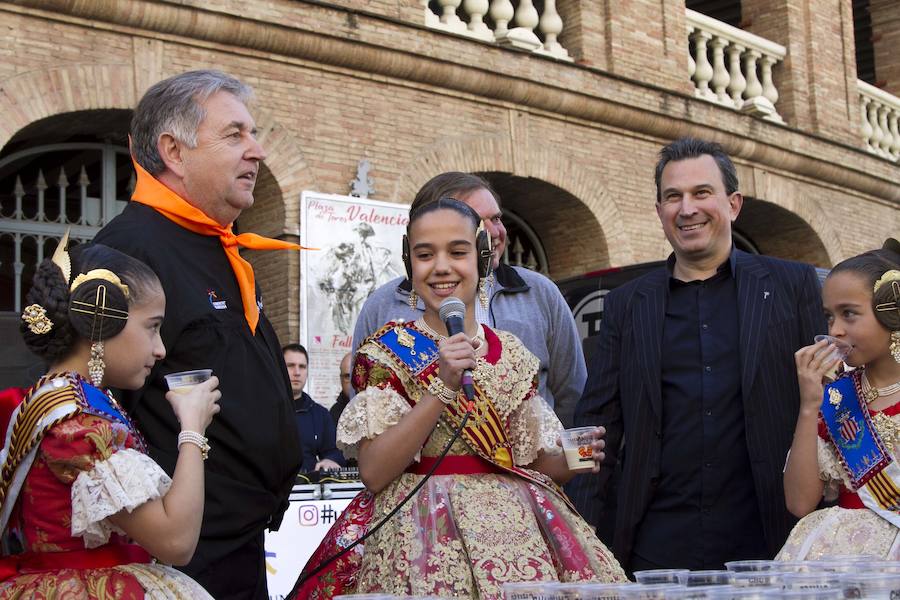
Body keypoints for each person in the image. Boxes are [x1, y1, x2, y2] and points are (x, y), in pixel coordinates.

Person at [295, 198, 626, 599]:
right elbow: (375, 472)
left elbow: (530, 461)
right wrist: (442, 387)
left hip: (516, 537)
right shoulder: (387, 350)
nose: (441, 267)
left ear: (482, 257)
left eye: (458, 251)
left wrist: (574, 460)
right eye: (424, 254)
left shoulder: (512, 353)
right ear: (408, 262)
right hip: (421, 535)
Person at [92, 70, 302, 600]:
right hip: (181, 559)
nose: (256, 151)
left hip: (244, 546)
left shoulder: (218, 246)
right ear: (174, 151)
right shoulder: (127, 253)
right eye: (235, 135)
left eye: (253, 134)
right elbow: (92, 411)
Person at [571, 137, 827, 572]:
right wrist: (580, 535)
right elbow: (595, 425)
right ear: (659, 213)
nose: (686, 208)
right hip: (656, 541)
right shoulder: (627, 304)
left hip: (770, 536)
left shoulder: (793, 285)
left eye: (701, 193)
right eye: (673, 197)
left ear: (733, 204)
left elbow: (832, 400)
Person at [0, 241, 221, 598]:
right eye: (152, 327)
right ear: (100, 320)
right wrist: (193, 429)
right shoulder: (78, 425)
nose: (160, 348)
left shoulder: (65, 400)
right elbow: (176, 542)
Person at [352, 172, 586, 426]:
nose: (494, 232)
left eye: (496, 218)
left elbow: (572, 395)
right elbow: (365, 410)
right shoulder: (382, 305)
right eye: (477, 220)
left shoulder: (541, 294)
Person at [779, 239, 900, 559]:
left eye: (849, 314)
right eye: (829, 317)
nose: (836, 330)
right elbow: (799, 503)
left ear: (893, 312)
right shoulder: (837, 398)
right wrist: (808, 405)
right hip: (836, 553)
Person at [283, 344, 345, 472]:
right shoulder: (263, 411)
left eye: (302, 367)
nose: (297, 372)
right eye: (290, 366)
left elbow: (334, 451)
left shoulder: (320, 415)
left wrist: (330, 460)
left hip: (308, 488)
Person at [329, 352, 354, 425]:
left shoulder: (379, 408)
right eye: (347, 376)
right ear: (341, 379)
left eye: (357, 375)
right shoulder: (333, 413)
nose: (353, 381)